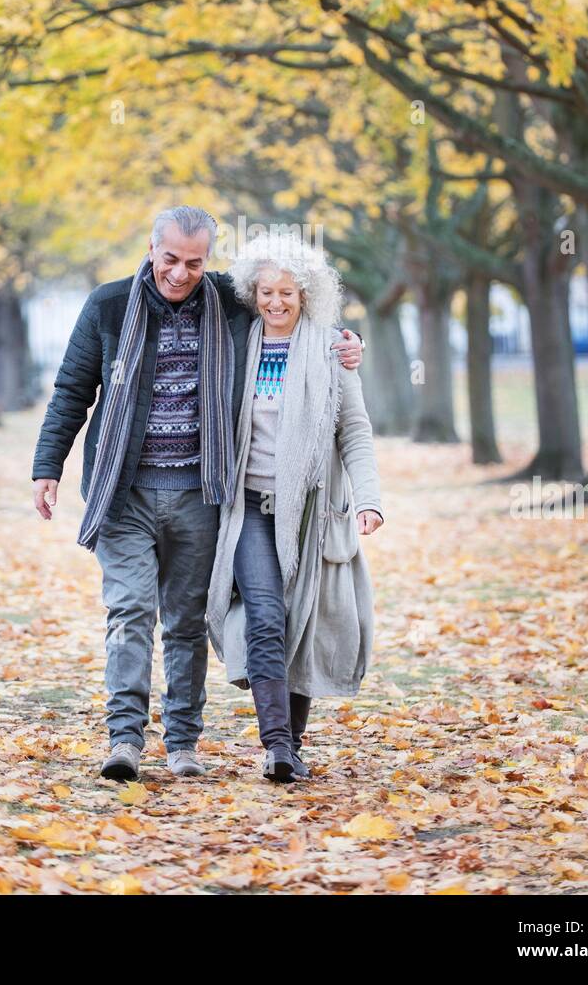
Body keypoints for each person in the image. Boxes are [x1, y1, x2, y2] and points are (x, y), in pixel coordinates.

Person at [31, 207, 364, 782]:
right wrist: (47, 466)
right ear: (150, 248)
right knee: (130, 610)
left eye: (194, 262)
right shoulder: (108, 307)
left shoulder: (228, 302)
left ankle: (182, 742)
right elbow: (72, 390)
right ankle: (125, 739)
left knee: (185, 623)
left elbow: (290, 309)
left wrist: (350, 343)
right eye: (170, 260)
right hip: (124, 491)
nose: (181, 274)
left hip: (202, 494)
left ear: (207, 259)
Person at [206, 232, 384, 783]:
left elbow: (354, 431)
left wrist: (369, 499)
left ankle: (294, 744)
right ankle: (277, 746)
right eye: (265, 292)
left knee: (300, 621)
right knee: (266, 612)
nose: (276, 302)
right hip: (249, 509)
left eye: (287, 292)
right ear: (252, 294)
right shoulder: (236, 343)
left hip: (309, 509)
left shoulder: (332, 350)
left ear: (306, 294)